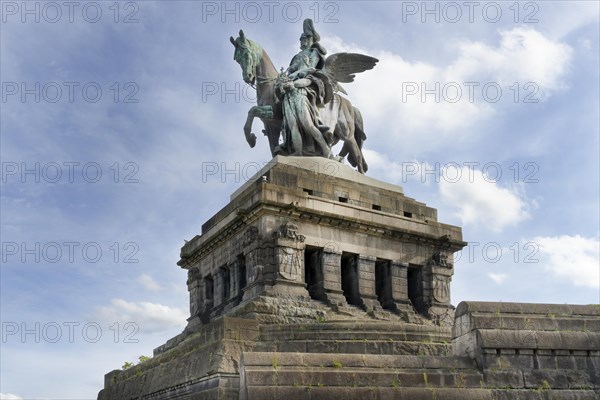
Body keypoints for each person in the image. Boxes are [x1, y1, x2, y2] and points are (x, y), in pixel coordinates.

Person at [275, 19, 334, 158]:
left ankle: (326, 150)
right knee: (292, 126)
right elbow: (291, 70)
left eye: (306, 38)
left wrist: (293, 77)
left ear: (312, 39)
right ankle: (299, 152)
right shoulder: (296, 56)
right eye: (301, 39)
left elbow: (310, 68)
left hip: (304, 85)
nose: (302, 41)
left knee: (307, 124)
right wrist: (282, 79)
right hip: (289, 93)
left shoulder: (314, 52)